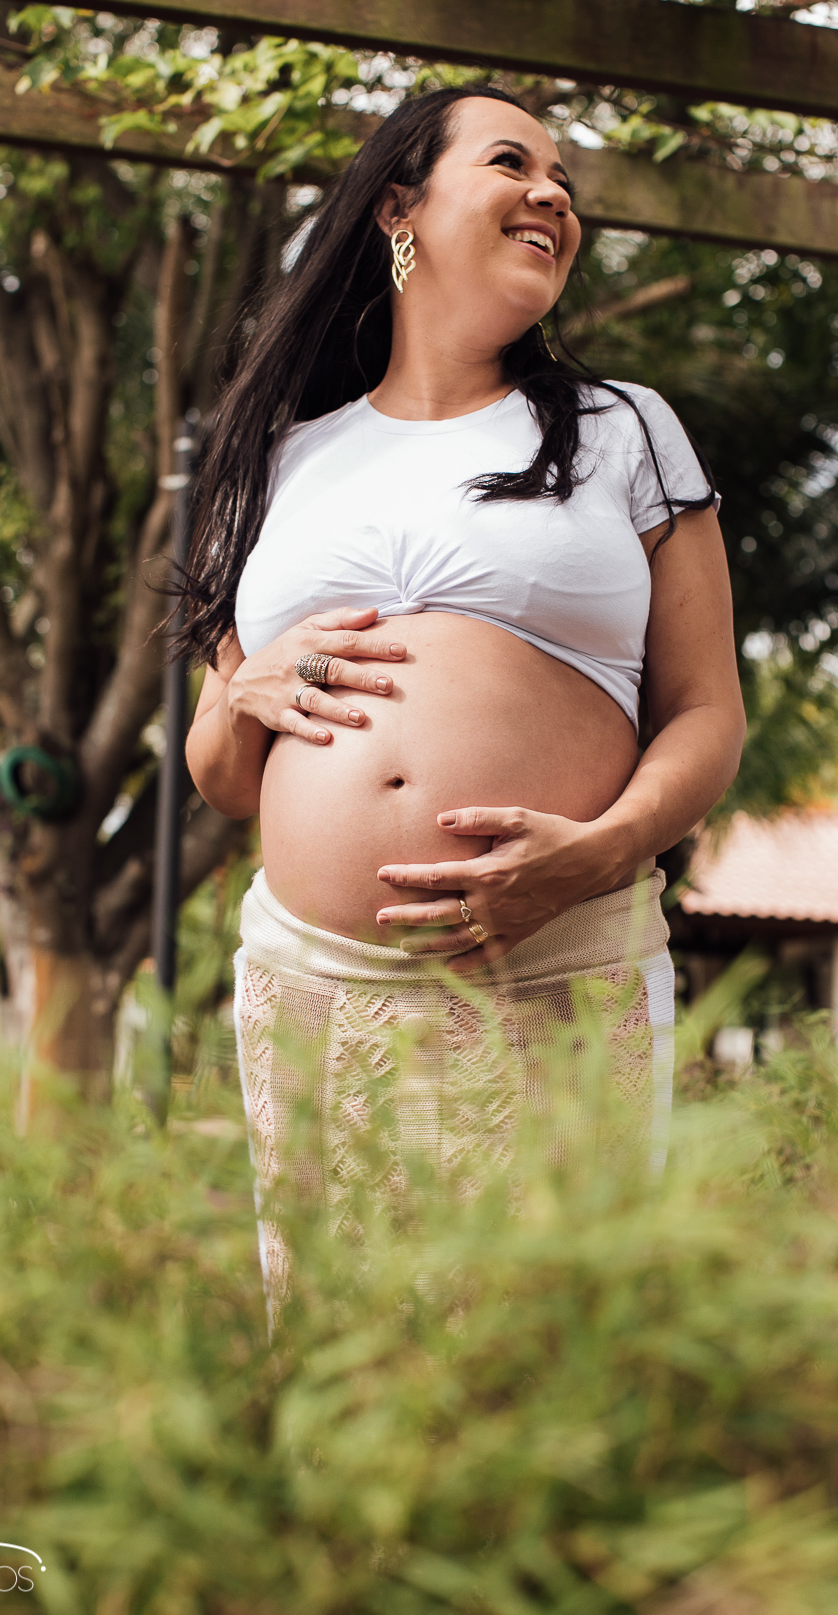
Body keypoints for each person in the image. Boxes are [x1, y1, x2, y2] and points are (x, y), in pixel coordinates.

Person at [182, 86, 745, 1302]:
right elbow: (221, 775)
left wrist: (598, 852)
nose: (553, 196)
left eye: (565, 185)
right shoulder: (275, 457)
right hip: (312, 982)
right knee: (343, 1368)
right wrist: (237, 697)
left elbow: (705, 713)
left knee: (540, 1370)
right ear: (401, 206)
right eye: (512, 164)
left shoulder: (621, 432)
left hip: (554, 961)